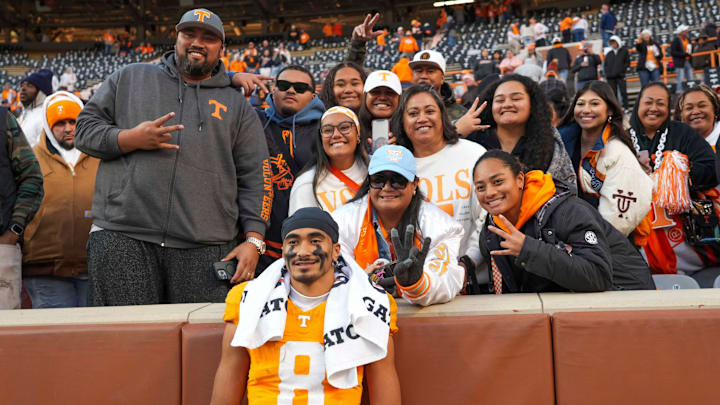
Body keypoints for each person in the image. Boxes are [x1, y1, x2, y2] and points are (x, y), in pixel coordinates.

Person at [75, 8, 272, 305]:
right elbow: (84, 131)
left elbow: (257, 177)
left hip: (206, 243)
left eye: (208, 37)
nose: (197, 42)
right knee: (127, 341)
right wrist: (129, 138)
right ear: (176, 38)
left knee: (200, 344)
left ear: (222, 48)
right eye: (189, 34)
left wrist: (254, 241)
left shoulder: (237, 104)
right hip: (124, 234)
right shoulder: (130, 77)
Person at [210, 207, 401, 405]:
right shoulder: (248, 298)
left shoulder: (367, 303)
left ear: (336, 251)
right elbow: (229, 379)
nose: (303, 251)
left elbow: (384, 385)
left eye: (315, 241)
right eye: (293, 242)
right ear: (283, 252)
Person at [474, 150, 654, 293]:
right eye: (480, 187)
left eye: (498, 181)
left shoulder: (568, 210)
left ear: (520, 180)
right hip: (564, 312)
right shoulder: (492, 230)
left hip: (628, 302)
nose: (489, 192)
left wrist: (527, 249)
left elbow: (598, 275)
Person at [333, 144, 464, 304]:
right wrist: (360, 281)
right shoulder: (340, 221)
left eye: (398, 181)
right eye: (379, 180)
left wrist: (416, 283)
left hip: (419, 318)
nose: (387, 187)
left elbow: (446, 280)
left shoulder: (442, 226)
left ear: (415, 184)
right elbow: (333, 276)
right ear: (369, 183)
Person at [392, 85, 487, 282]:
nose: (422, 118)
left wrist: (468, 263)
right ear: (402, 121)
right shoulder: (396, 167)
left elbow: (486, 218)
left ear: (442, 116)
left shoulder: (474, 154)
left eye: (430, 111)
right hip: (418, 283)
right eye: (413, 113)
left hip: (474, 281)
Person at [628, 82, 720, 285]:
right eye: (648, 102)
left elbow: (709, 169)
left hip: (682, 226)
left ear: (668, 109)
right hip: (635, 227)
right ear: (637, 106)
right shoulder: (622, 137)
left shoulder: (683, 133)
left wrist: (673, 178)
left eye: (660, 103)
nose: (654, 108)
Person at [22, 91, 98, 308]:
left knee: (90, 334)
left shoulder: (102, 155)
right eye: (59, 123)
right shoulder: (30, 159)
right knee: (56, 336)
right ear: (47, 125)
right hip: (45, 266)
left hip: (93, 265)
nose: (67, 129)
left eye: (73, 122)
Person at [558, 81, 652, 240]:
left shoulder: (617, 152)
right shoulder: (562, 142)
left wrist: (593, 244)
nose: (586, 110)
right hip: (571, 236)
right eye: (580, 104)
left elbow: (617, 221)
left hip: (605, 243)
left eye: (594, 103)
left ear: (609, 110)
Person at [255, 65, 326, 269]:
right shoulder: (253, 120)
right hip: (259, 240)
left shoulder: (326, 129)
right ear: (273, 89)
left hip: (309, 243)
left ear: (313, 96)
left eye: (300, 87)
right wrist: (233, 77)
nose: (291, 90)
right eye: (284, 85)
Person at [468, 74, 576, 184]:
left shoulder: (548, 142)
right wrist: (458, 131)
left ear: (532, 104)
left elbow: (566, 186)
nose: (507, 104)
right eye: (500, 100)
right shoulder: (473, 138)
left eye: (516, 98)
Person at [0, 105, 44, 309]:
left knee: (6, 333)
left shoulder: (3, 119)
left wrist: (14, 230)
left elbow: (32, 177)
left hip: (2, 246)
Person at [290, 106, 368, 214]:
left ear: (358, 135)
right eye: (328, 130)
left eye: (344, 127)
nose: (336, 135)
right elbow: (301, 230)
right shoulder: (306, 182)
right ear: (321, 139)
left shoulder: (374, 171)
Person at [408, 50, 467, 121]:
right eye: (419, 71)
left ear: (442, 78)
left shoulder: (461, 115)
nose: (423, 76)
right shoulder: (401, 110)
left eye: (430, 71)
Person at [358, 70, 402, 146]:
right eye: (375, 92)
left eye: (390, 93)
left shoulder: (409, 132)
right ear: (365, 96)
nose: (382, 97)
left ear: (399, 98)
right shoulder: (352, 129)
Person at [675, 84, 720, 150]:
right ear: (680, 116)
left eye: (702, 106)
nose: (696, 112)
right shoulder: (674, 146)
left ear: (715, 110)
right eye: (689, 108)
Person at [18, 69, 54, 147]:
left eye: (30, 86)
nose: (23, 89)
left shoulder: (45, 118)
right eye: (22, 85)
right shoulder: (23, 115)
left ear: (41, 93)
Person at [603, 35, 630, 108]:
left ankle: (626, 108)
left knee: (623, 92)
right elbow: (606, 65)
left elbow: (627, 62)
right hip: (611, 77)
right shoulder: (609, 54)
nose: (613, 45)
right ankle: (616, 108)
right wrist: (607, 74)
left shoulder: (624, 51)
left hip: (620, 76)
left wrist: (622, 71)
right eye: (611, 43)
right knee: (613, 94)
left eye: (614, 43)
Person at [671, 25, 694, 93]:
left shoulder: (688, 40)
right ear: (681, 32)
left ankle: (691, 90)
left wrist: (689, 54)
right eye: (685, 31)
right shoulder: (675, 41)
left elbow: (690, 49)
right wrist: (684, 55)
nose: (687, 32)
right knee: (680, 77)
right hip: (679, 62)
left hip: (688, 61)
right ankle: (679, 91)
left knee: (690, 77)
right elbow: (673, 52)